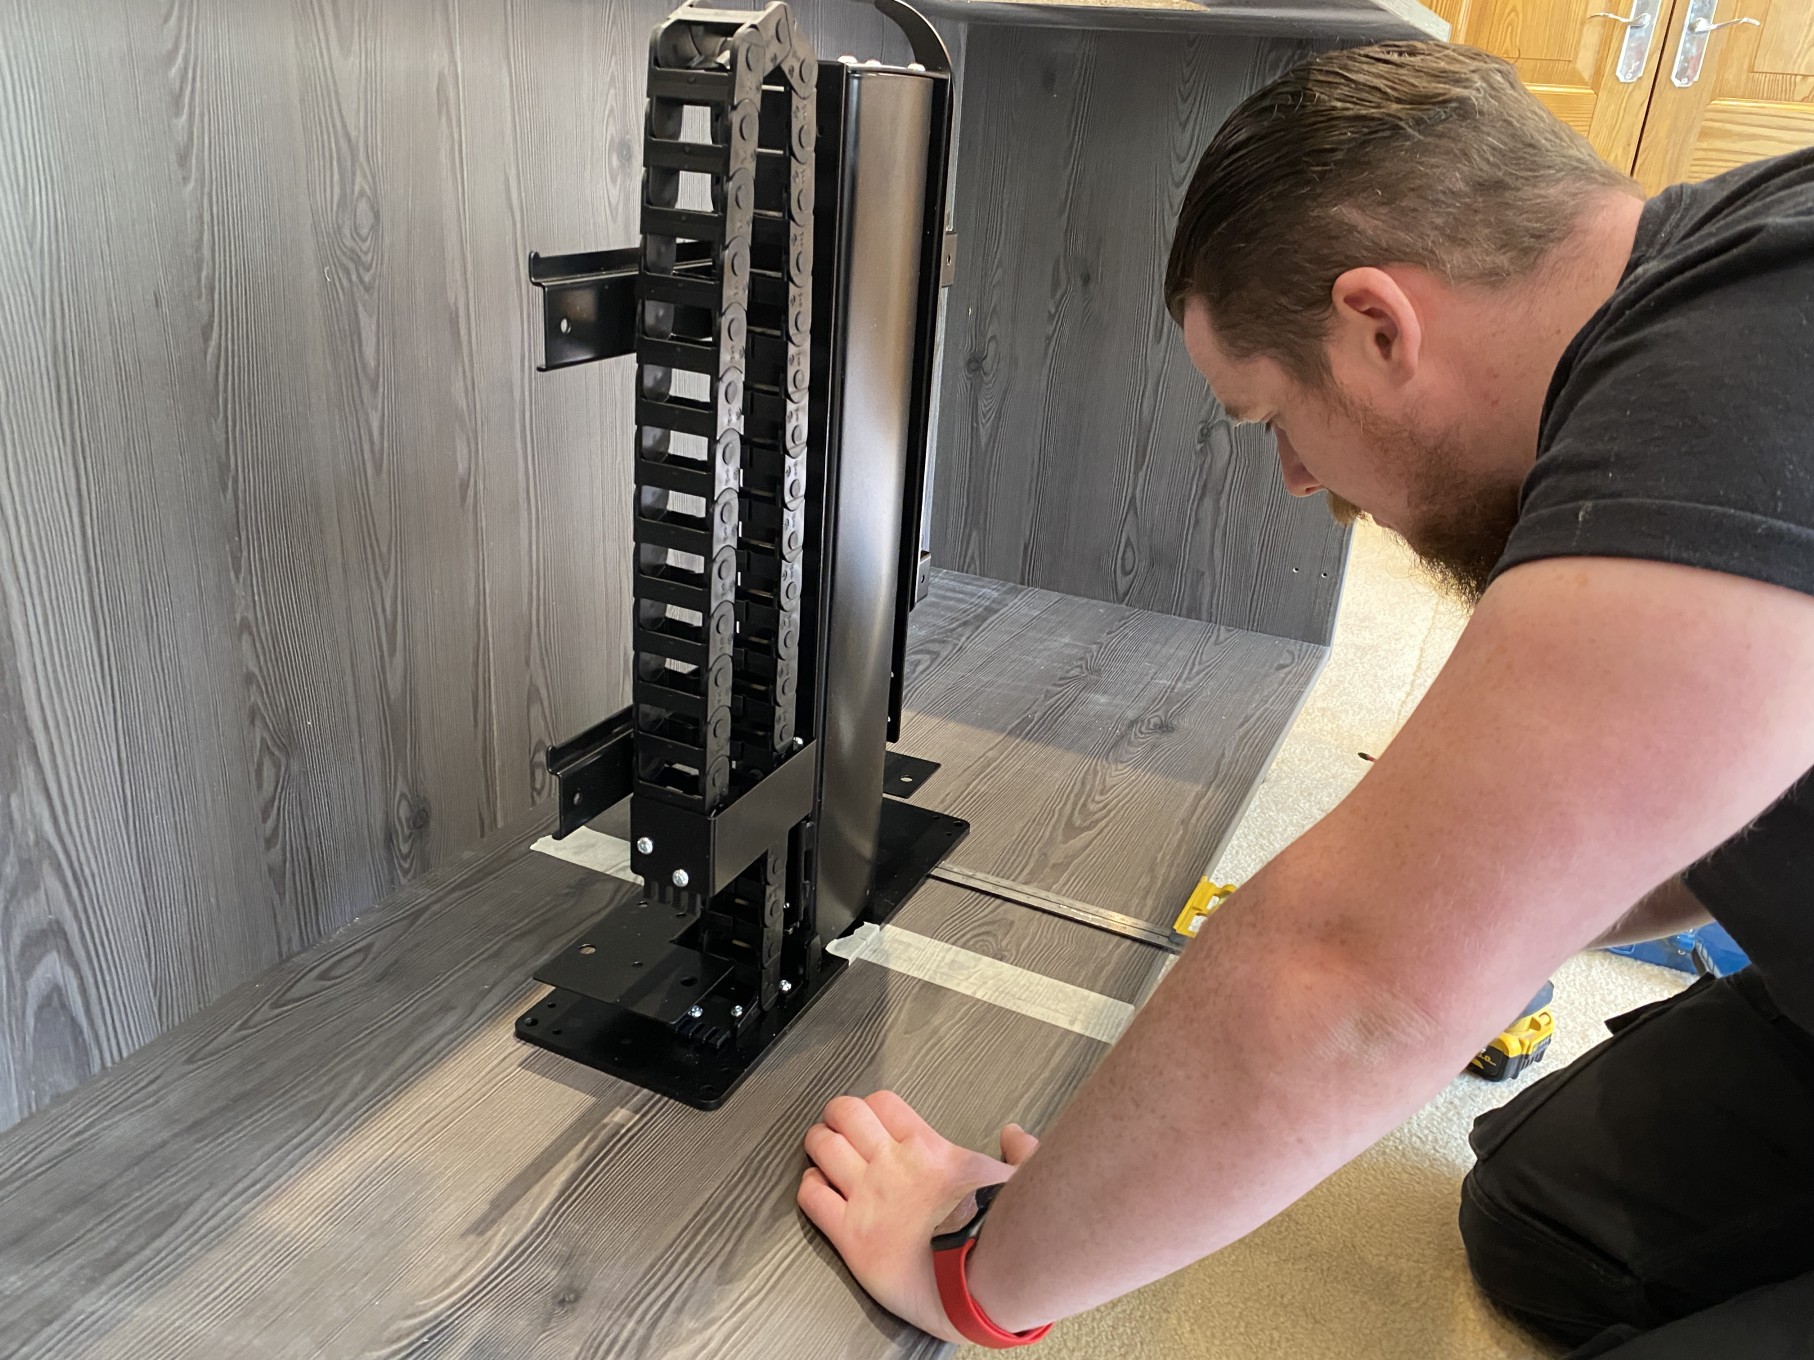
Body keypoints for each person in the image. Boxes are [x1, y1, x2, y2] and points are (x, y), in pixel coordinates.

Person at [794, 42, 1814, 1358]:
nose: (1290, 477)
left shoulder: (1738, 371)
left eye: (1265, 414)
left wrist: (974, 1278)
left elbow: (1349, 984)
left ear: (1376, 325)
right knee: (1540, 1227)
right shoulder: (1711, 290)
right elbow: (1668, 822)